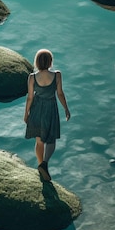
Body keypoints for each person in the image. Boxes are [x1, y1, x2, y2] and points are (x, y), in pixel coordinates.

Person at [24, 48, 70, 181]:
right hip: (51, 108)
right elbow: (60, 94)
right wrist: (66, 108)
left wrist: (26, 113)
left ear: (37, 62)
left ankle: (40, 166)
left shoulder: (32, 77)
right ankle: (44, 163)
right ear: (50, 62)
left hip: (37, 109)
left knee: (39, 141)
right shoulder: (57, 75)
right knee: (51, 140)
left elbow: (30, 97)